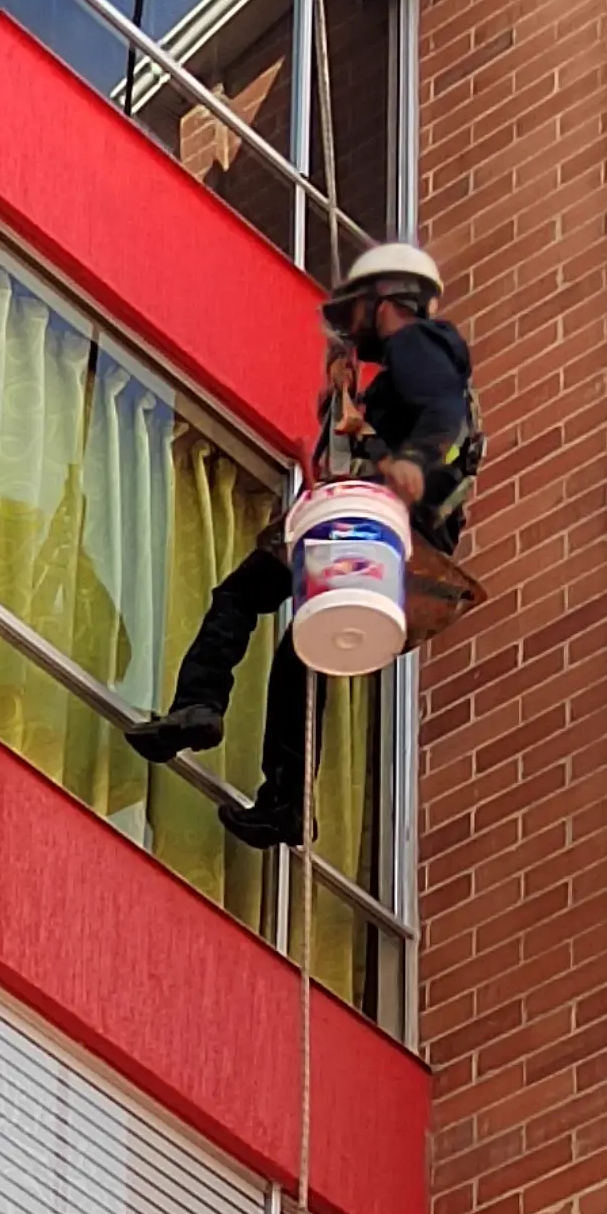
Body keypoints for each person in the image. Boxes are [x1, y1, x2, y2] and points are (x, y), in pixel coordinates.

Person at [124, 243, 480, 847]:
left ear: (387, 300)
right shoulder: (403, 376)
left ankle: (200, 704)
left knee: (240, 594)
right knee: (302, 656)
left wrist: (415, 461)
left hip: (375, 528)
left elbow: (444, 424)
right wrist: (347, 412)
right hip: (403, 549)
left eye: (361, 308)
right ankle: (288, 802)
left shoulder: (420, 346)